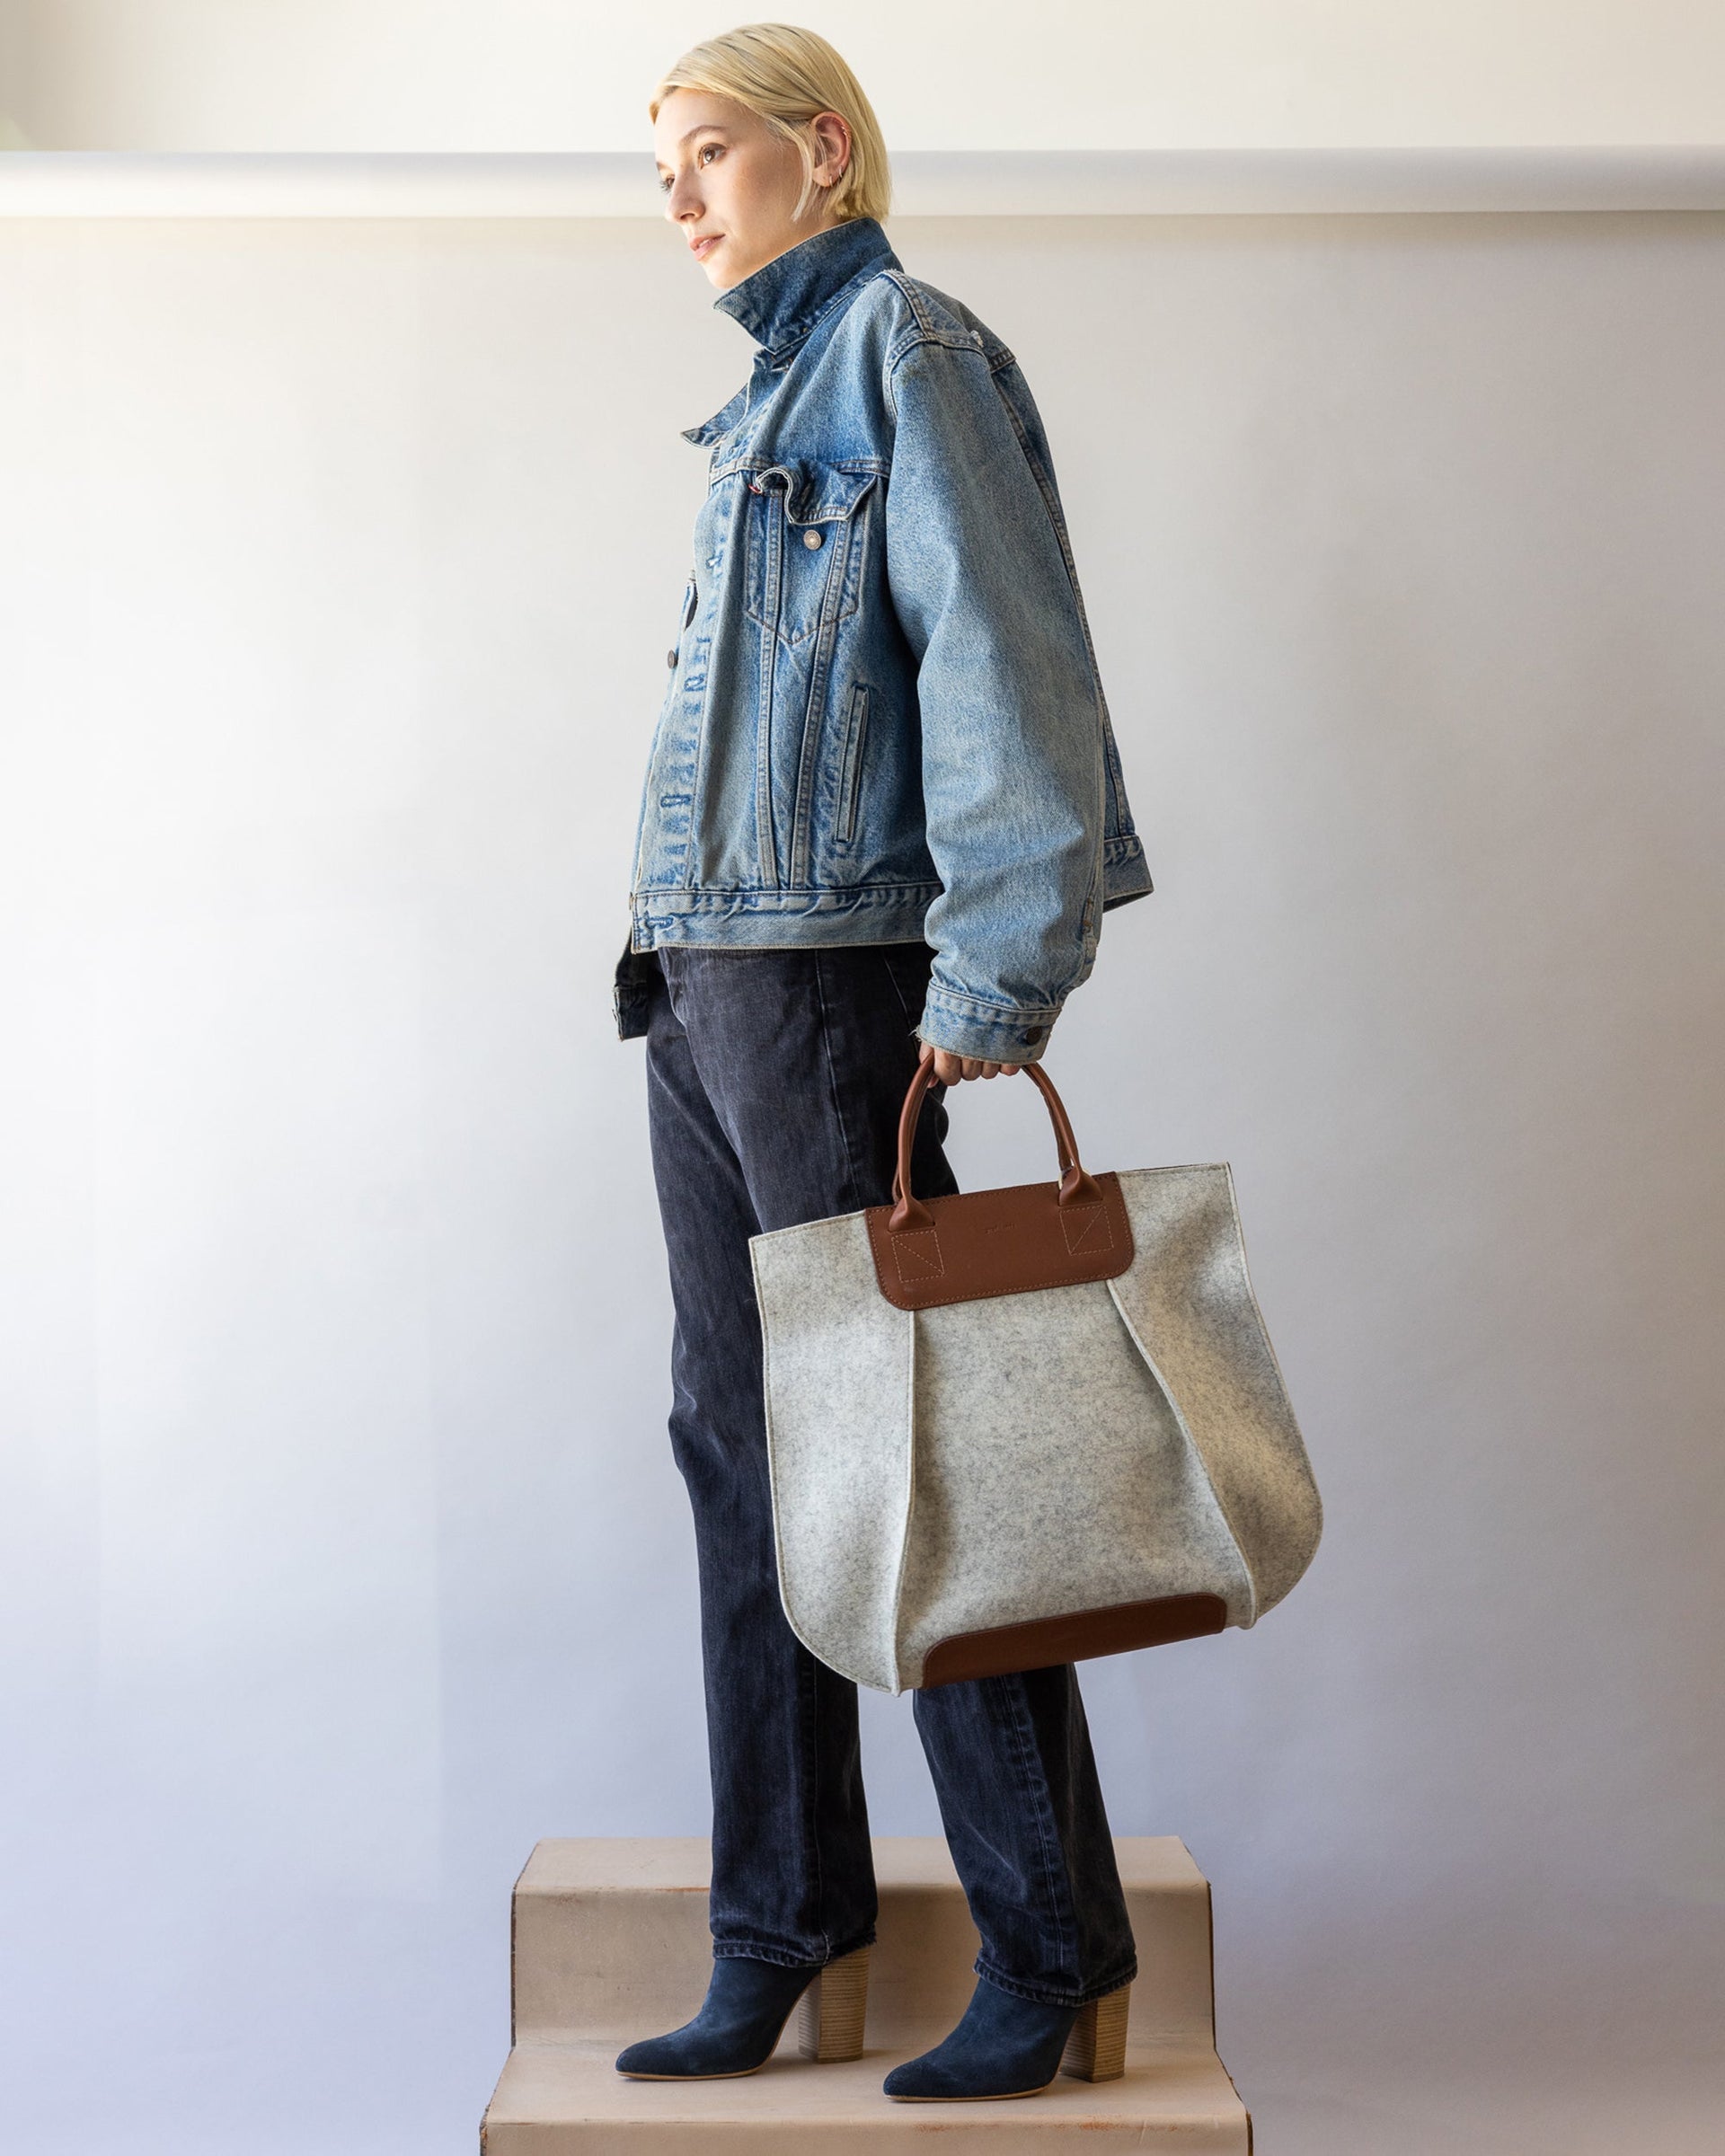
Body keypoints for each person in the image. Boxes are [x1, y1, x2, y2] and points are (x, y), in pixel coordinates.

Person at [610, 22, 1153, 2104]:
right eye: (658, 165)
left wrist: (993, 985)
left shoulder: (905, 352)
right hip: (703, 988)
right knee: (743, 1462)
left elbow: (1014, 669)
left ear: (821, 154)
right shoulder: (757, 399)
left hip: (842, 988)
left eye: (709, 153)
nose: (676, 195)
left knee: (913, 1466)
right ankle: (785, 1931)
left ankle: (1048, 1946)